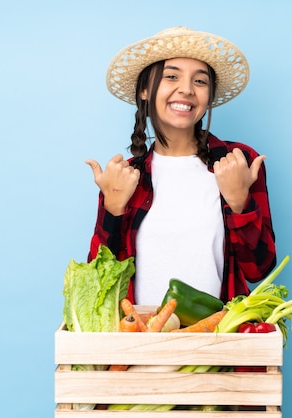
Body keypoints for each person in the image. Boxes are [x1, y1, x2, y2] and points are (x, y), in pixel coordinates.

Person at [86, 26, 276, 305]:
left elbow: (259, 269)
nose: (186, 89)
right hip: (138, 338)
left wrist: (239, 204)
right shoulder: (125, 177)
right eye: (171, 76)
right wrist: (112, 210)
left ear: (209, 96)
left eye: (200, 81)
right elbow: (97, 284)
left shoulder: (239, 162)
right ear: (145, 91)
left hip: (220, 337)